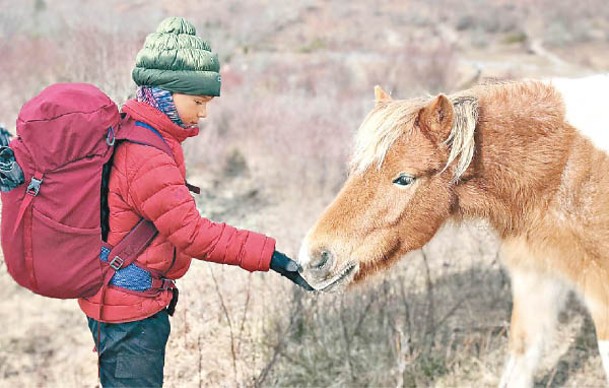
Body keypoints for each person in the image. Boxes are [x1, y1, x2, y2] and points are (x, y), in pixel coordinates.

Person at [79, 16, 312, 387]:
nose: (203, 112)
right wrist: (273, 258)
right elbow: (192, 234)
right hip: (129, 310)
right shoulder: (147, 156)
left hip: (122, 298)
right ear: (164, 92)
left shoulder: (138, 129)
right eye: (197, 101)